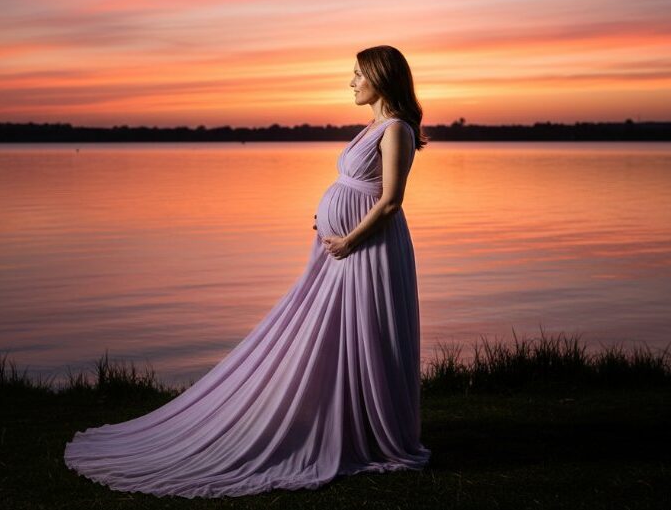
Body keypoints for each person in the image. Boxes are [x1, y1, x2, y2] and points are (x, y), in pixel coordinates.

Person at [64, 45, 431, 499]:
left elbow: (391, 200)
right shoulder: (371, 127)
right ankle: (345, 418)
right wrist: (331, 221)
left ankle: (374, 432)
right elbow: (356, 187)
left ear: (381, 76)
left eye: (358, 74)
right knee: (337, 335)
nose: (350, 82)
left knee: (368, 335)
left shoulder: (396, 130)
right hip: (342, 251)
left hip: (367, 252)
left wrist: (350, 238)